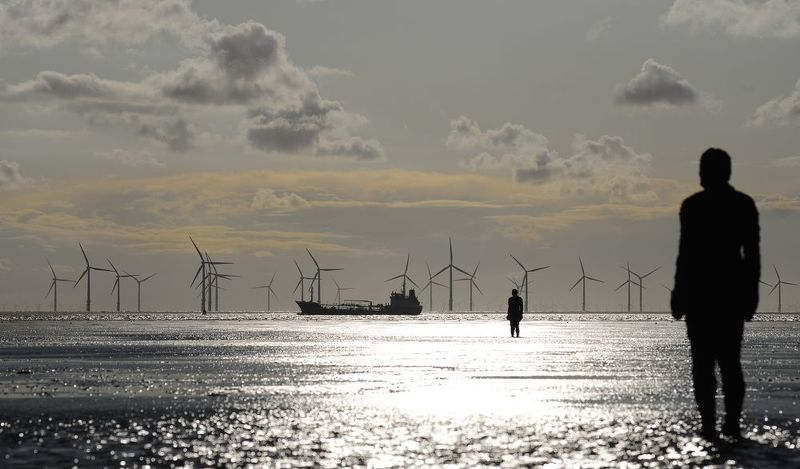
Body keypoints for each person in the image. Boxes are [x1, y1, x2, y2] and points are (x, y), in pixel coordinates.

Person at [671, 148, 760, 440]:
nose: (700, 174)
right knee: (728, 363)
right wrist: (751, 294)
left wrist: (679, 293)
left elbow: (685, 255)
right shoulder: (743, 204)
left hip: (703, 296)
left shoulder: (693, 206)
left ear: (718, 172)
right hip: (729, 296)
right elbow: (752, 256)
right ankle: (727, 424)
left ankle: (712, 424)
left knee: (706, 364)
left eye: (704, 168)